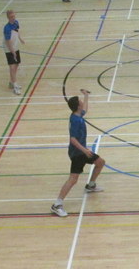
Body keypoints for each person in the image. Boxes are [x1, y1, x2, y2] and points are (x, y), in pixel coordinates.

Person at [51, 89, 106, 217]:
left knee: (100, 162)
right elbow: (73, 139)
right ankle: (57, 204)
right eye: (80, 101)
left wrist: (86, 96)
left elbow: (85, 109)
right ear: (77, 106)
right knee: (73, 179)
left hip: (82, 151)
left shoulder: (78, 115)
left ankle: (90, 185)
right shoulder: (75, 120)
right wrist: (85, 150)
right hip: (77, 153)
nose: (82, 102)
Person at [3, 10, 25, 95]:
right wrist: (12, 51)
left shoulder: (16, 23)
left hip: (16, 46)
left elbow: (17, 31)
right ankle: (15, 86)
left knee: (16, 64)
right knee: (12, 67)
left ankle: (11, 82)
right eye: (11, 17)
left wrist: (20, 39)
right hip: (9, 48)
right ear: (8, 18)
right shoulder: (7, 28)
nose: (13, 18)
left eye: (14, 16)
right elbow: (7, 41)